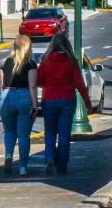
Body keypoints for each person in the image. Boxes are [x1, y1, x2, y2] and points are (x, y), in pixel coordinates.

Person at [35, 30, 93, 175]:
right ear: (67, 45)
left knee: (50, 132)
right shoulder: (71, 61)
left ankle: (49, 158)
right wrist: (87, 102)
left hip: (49, 99)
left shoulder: (45, 61)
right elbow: (79, 83)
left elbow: (40, 81)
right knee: (64, 134)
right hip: (67, 99)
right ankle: (62, 166)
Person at [0, 34, 38, 177]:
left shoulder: (5, 62)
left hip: (7, 96)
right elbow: (32, 86)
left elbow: (2, 84)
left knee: (9, 131)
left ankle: (8, 156)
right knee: (23, 135)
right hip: (24, 97)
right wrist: (35, 105)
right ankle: (22, 168)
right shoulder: (31, 64)